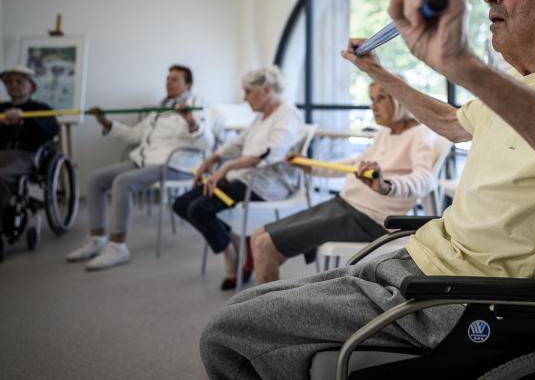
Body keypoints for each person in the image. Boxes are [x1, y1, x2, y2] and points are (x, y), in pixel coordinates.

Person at [200, 0, 535, 378]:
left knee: (225, 332)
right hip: (425, 263)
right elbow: (452, 122)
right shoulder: (521, 80)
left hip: (469, 297)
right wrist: (380, 73)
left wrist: (465, 67)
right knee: (250, 307)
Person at [250, 81, 439, 285]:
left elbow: (425, 179)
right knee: (258, 235)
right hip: (344, 205)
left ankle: (264, 311)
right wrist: (311, 167)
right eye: (371, 99)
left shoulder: (420, 134)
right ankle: (269, 299)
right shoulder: (386, 132)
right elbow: (354, 164)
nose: (373, 106)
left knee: (264, 245)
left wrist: (386, 185)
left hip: (368, 219)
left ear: (400, 97)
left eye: (381, 98)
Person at [66, 65, 213, 270]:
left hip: (173, 163)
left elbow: (207, 143)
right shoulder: (160, 108)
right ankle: (96, 238)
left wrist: (189, 120)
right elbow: (135, 135)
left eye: (175, 79)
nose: (168, 82)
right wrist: (106, 123)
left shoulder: (199, 105)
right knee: (95, 179)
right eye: (167, 78)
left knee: (123, 182)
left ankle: (118, 246)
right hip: (145, 160)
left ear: (188, 84)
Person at [172, 66, 303, 290]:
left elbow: (270, 153)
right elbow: (238, 144)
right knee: (181, 204)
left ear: (267, 89)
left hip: (267, 185)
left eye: (248, 91)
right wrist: (212, 160)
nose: (244, 98)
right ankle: (238, 243)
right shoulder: (262, 116)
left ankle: (231, 256)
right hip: (243, 178)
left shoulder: (288, 115)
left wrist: (226, 167)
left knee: (199, 209)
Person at [0, 66, 59, 225]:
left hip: (25, 155)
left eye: (19, 81)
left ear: (31, 86)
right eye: (9, 82)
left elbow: (51, 130)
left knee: (2, 177)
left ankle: (4, 216)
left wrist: (24, 120)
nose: (13, 85)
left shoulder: (41, 108)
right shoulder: (1, 108)